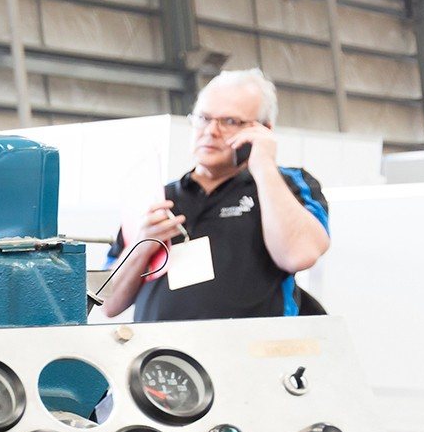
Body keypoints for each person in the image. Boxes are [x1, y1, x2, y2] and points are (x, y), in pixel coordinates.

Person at [99, 69, 332, 321]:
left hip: (251, 354)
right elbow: (106, 303)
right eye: (204, 118)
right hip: (159, 356)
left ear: (263, 129)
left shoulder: (287, 184)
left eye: (230, 122)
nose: (211, 131)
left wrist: (263, 165)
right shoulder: (158, 198)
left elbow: (299, 255)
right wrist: (142, 244)